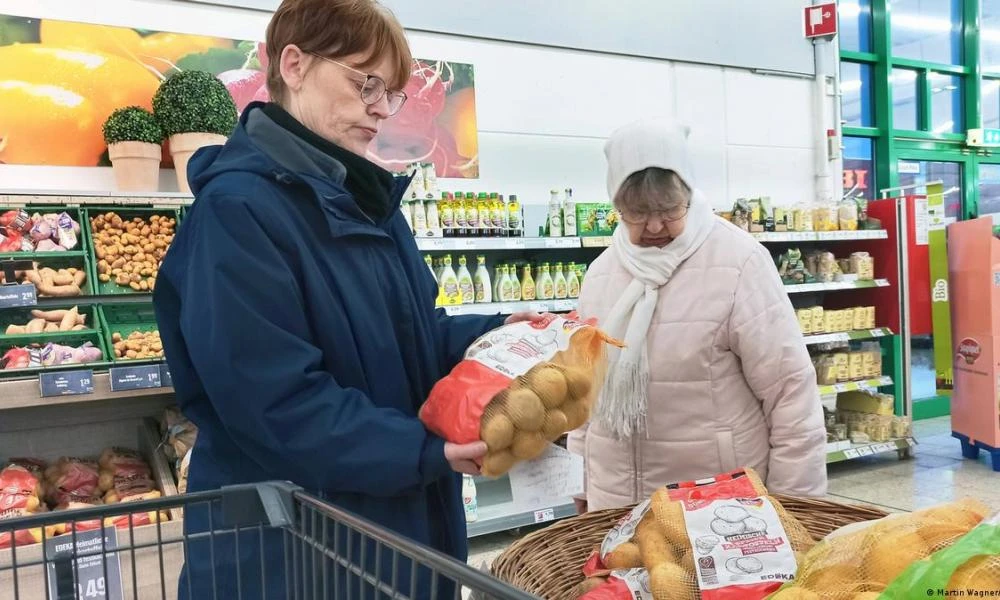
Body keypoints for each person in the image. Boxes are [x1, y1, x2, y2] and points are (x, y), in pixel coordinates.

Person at [153, 1, 541, 597]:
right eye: (367, 83)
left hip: (391, 536)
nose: (382, 110)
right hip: (295, 553)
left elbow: (412, 339)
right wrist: (425, 450)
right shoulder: (238, 214)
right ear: (294, 64)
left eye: (392, 92)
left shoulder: (367, 201)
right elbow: (277, 403)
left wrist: (497, 333)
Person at [568, 118, 827, 512]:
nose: (655, 225)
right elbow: (585, 395)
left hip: (715, 507)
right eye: (637, 212)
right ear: (616, 205)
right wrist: (582, 487)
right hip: (615, 503)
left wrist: (797, 507)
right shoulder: (602, 274)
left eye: (669, 208)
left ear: (689, 192)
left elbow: (790, 391)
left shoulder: (739, 262)